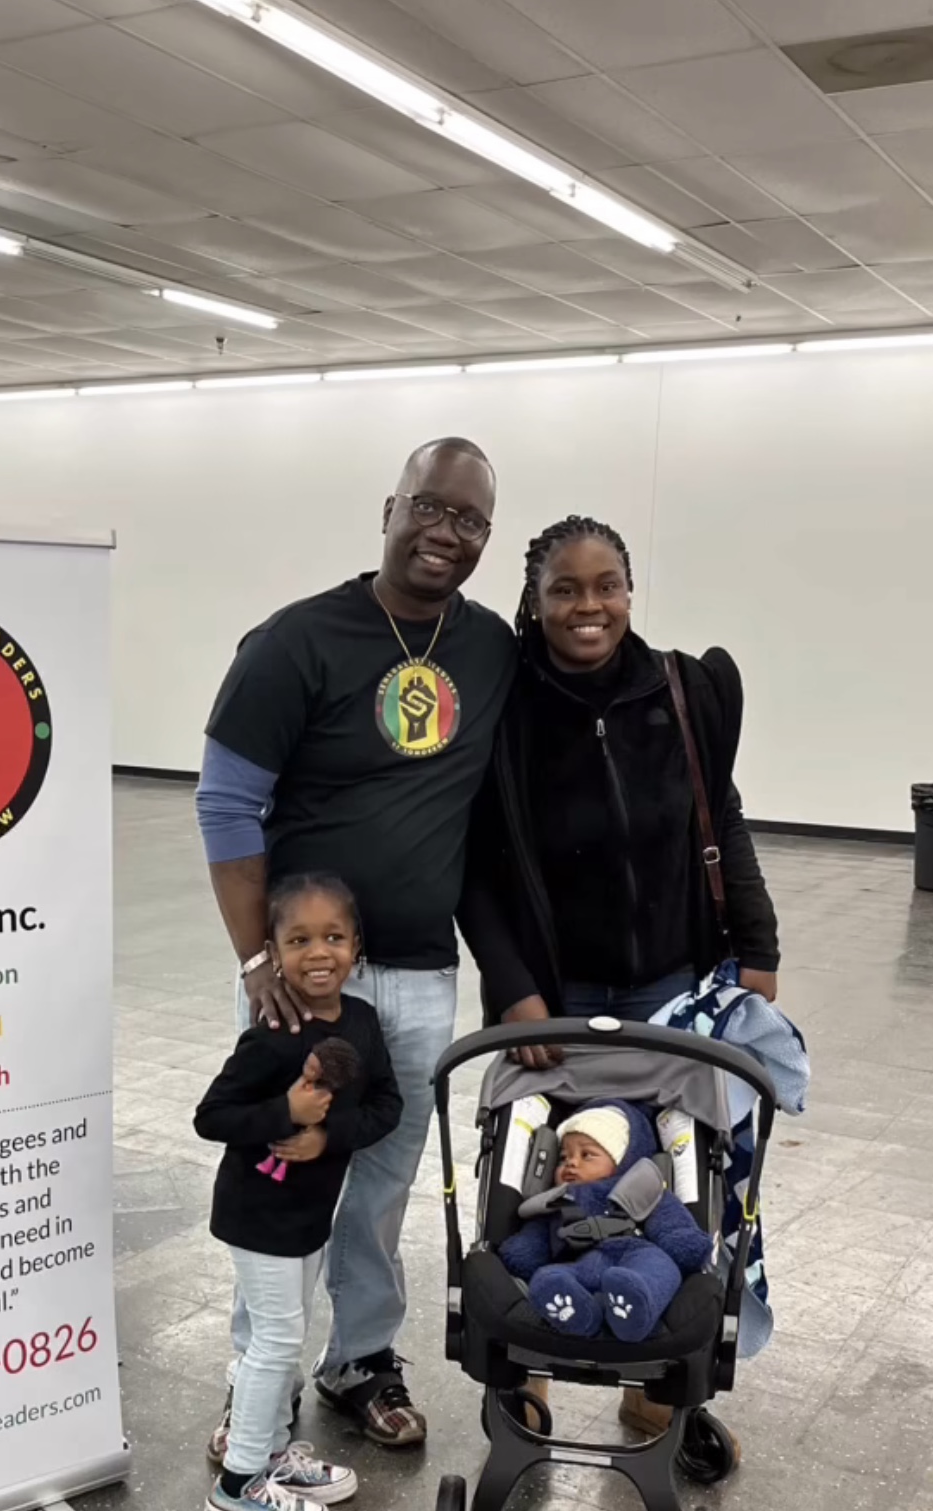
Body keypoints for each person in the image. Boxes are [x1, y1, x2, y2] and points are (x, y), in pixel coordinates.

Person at [196, 438, 514, 1450]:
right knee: (282, 1171)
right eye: (429, 506)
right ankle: (260, 1375)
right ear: (390, 508)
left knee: (379, 1177)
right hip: (302, 975)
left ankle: (359, 1359)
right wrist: (258, 962)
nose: (445, 532)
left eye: (469, 519)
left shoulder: (489, 648)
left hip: (419, 971)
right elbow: (225, 804)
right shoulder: (296, 642)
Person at [459, 513, 779, 1435]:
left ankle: (658, 1374)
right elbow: (474, 867)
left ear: (629, 591)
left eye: (605, 585)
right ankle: (528, 1364)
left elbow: (720, 819)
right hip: (550, 996)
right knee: (540, 1174)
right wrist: (512, 986)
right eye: (564, 589)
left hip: (670, 986)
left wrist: (757, 948)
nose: (587, 605)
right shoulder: (505, 709)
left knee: (674, 1171)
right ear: (534, 601)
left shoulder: (682, 690)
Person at [194, 875, 402, 1511]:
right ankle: (239, 1484)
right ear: (274, 952)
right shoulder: (273, 1032)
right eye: (299, 939)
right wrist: (283, 1111)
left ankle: (274, 1451)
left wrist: (326, 1135)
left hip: (311, 1214)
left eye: (333, 937)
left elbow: (386, 1105)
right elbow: (212, 1116)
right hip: (257, 1215)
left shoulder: (361, 1022)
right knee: (277, 1342)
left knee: (285, 1333)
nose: (319, 953)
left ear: (356, 946)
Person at [498, 1103, 712, 1341]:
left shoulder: (641, 1188)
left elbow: (670, 1223)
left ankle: (635, 1308)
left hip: (637, 1253)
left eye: (586, 1155)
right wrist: (523, 1252)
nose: (571, 1163)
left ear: (623, 1159)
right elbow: (534, 1239)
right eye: (563, 1157)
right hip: (579, 1262)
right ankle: (579, 1314)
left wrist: (683, 1242)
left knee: (662, 1269)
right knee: (546, 1277)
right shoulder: (555, 1200)